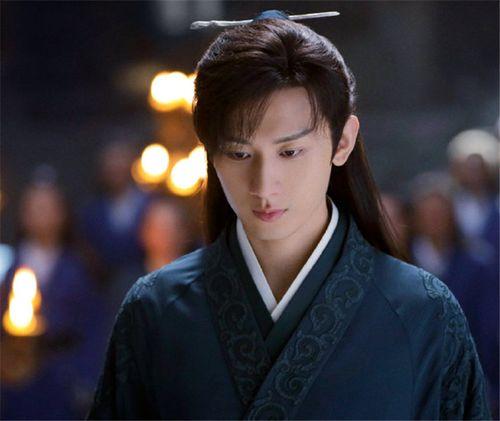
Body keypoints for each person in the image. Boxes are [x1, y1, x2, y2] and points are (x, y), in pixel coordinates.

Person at [88, 11, 491, 420]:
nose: (264, 186)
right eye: (239, 153)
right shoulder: (156, 311)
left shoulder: (423, 313)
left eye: (290, 151)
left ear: (342, 141)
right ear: (209, 150)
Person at [1, 177, 108, 419]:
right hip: (17, 380)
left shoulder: (80, 267)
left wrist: (86, 381)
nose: (41, 215)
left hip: (63, 378)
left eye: (47, 208)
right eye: (34, 208)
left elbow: (94, 328)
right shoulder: (12, 267)